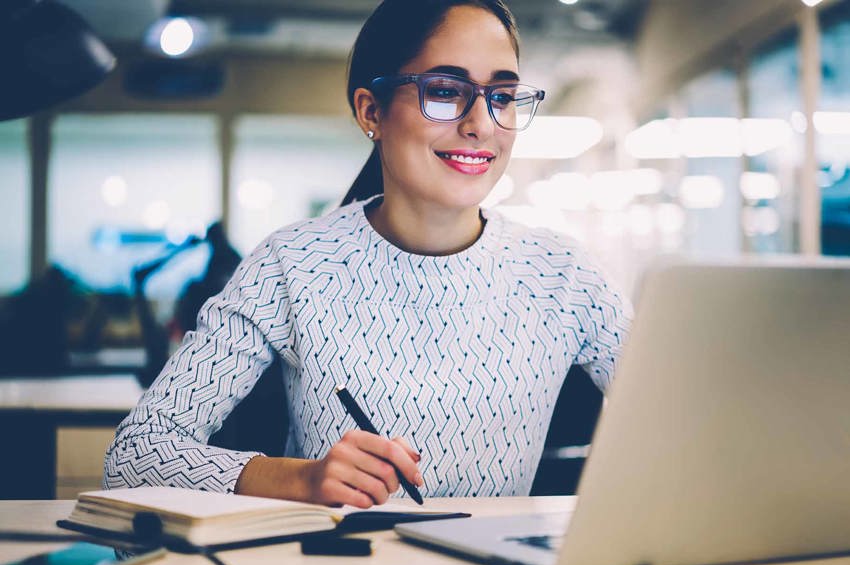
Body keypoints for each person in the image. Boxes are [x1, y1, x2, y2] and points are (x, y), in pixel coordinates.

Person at [104, 0, 632, 508]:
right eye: (446, 91)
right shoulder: (294, 264)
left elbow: (693, 422)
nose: (482, 123)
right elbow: (135, 453)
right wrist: (298, 478)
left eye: (502, 96)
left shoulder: (563, 276)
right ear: (371, 111)